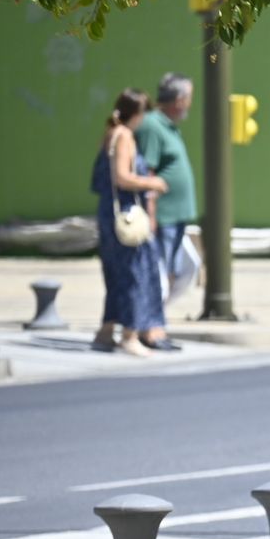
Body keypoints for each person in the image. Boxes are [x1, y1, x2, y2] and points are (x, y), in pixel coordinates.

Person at [90, 89, 170, 357]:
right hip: (126, 214)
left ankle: (105, 332)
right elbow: (122, 177)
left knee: (116, 273)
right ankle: (130, 335)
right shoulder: (124, 135)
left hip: (109, 214)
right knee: (136, 272)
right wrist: (153, 182)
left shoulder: (111, 133)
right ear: (137, 114)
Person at [135, 71, 197, 318]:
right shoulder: (152, 125)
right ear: (179, 99)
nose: (190, 103)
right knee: (159, 273)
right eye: (189, 97)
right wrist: (151, 215)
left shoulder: (169, 127)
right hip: (163, 217)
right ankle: (149, 323)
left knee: (189, 267)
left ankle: (154, 316)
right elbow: (147, 171)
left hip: (176, 216)